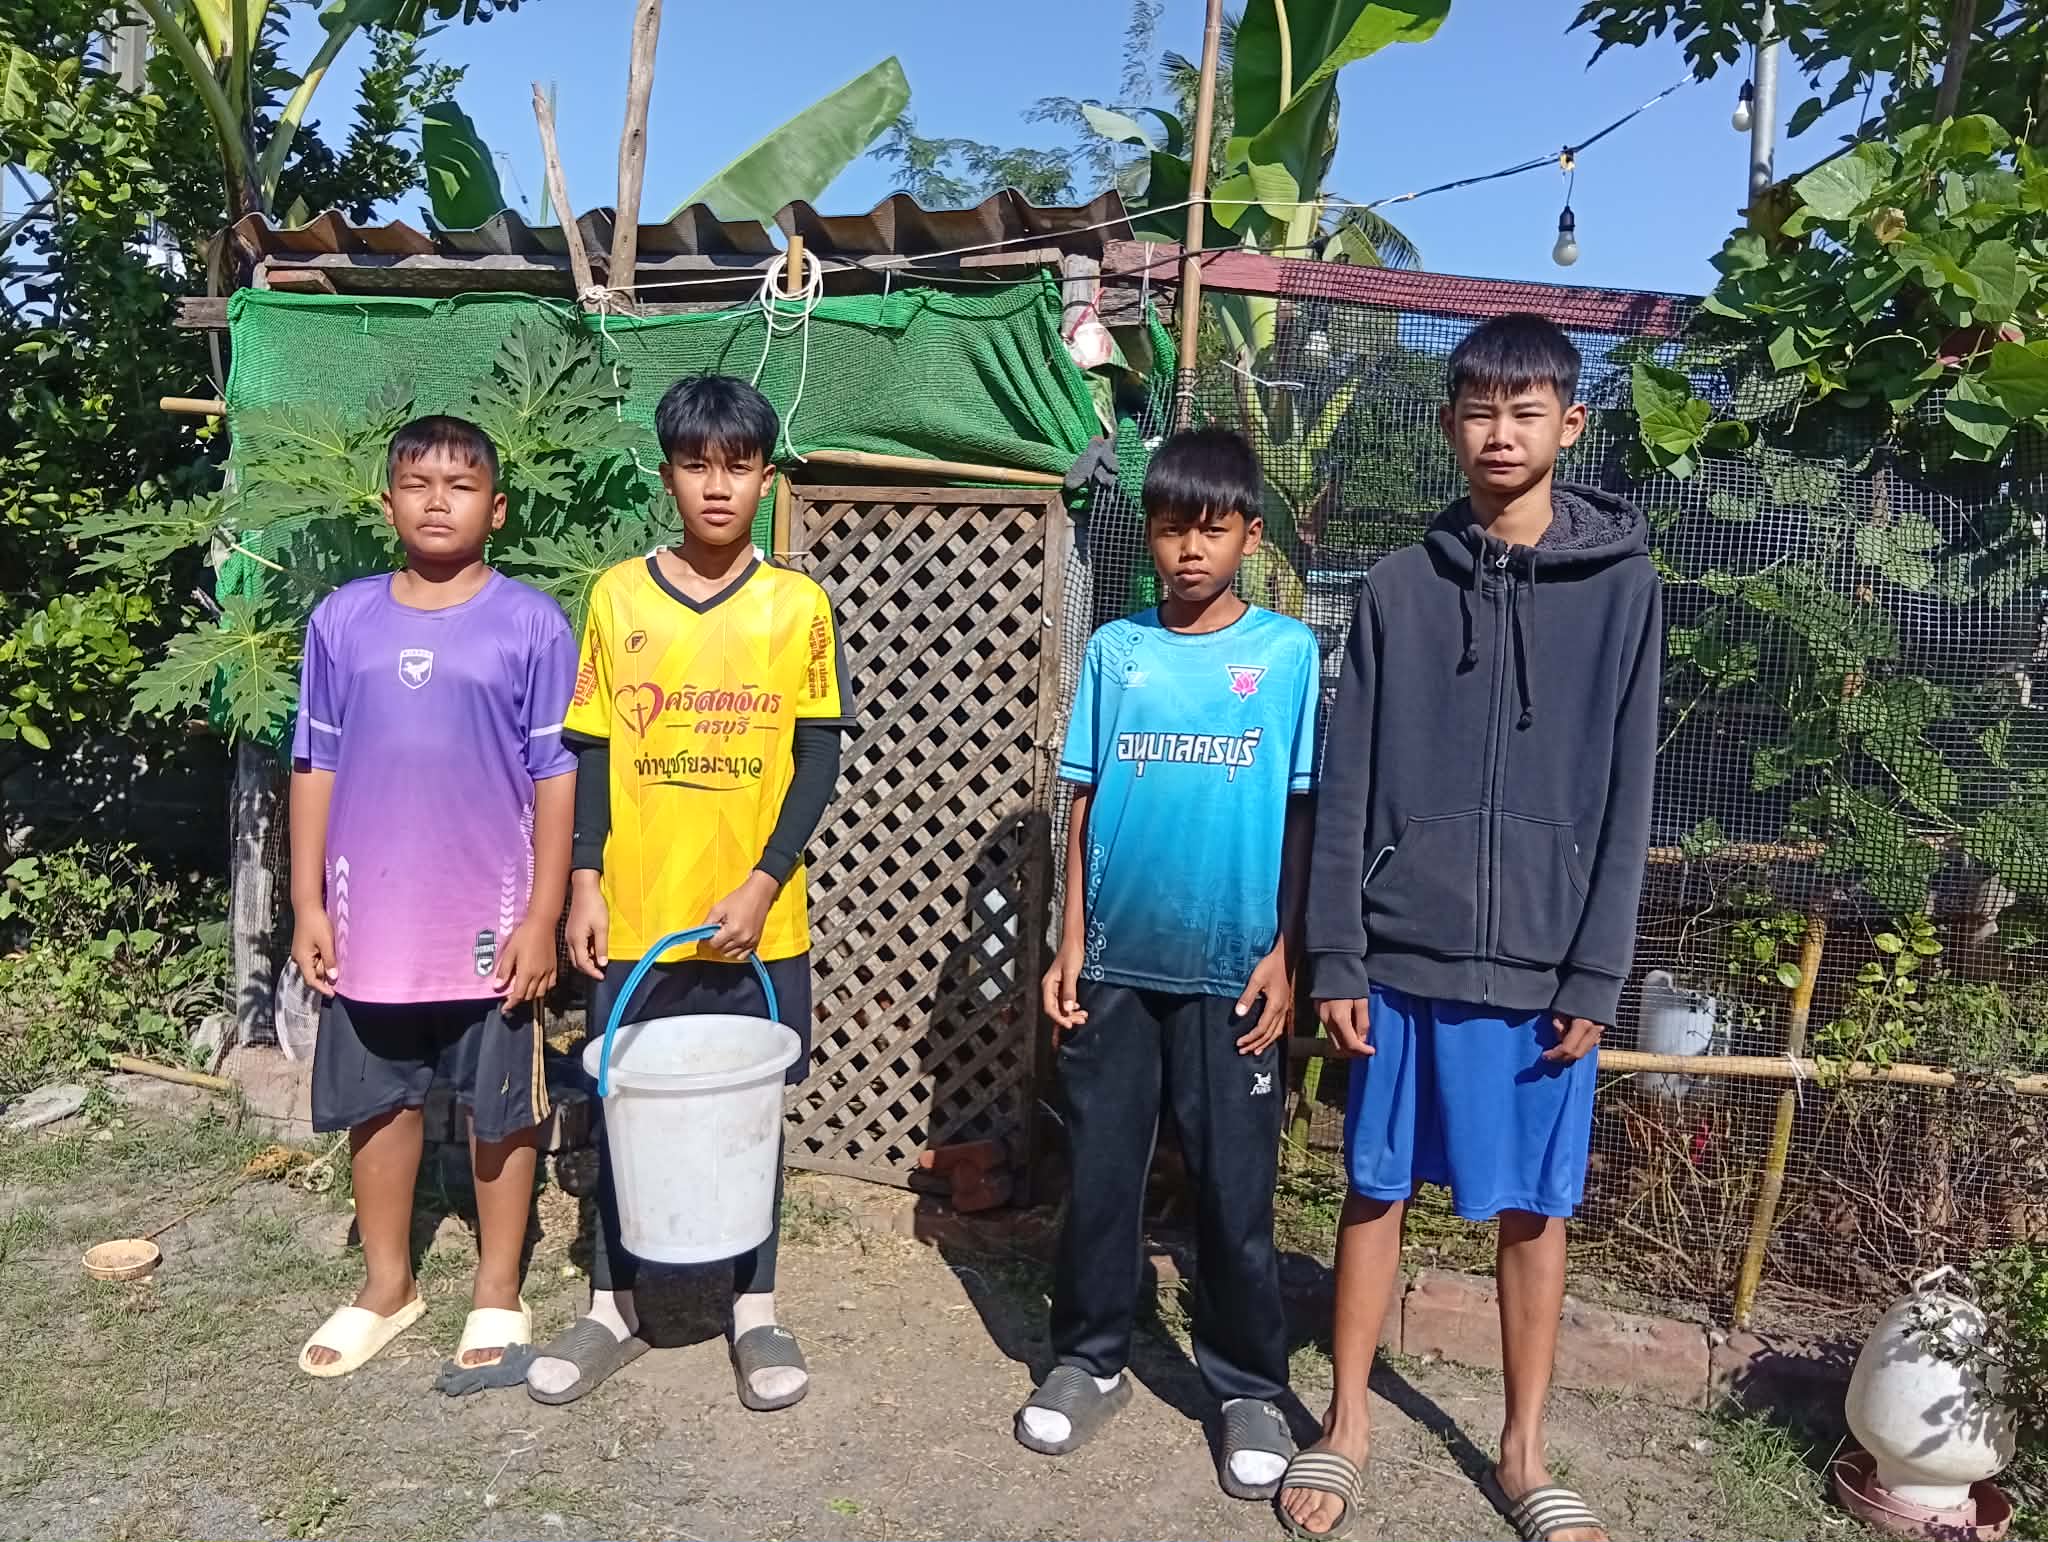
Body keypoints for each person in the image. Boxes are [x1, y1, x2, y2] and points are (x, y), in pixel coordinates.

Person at [1276, 313, 1662, 1542]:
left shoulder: (1625, 593)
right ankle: (1344, 1425)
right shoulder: (1395, 588)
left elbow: (1627, 792)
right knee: (1371, 1190)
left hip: (1548, 967)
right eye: (1478, 411)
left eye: (1526, 410)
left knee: (1530, 1213)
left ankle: (1522, 1449)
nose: (1500, 433)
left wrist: (1596, 971)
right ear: (1448, 426)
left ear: (1570, 424)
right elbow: (1346, 786)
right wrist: (1337, 951)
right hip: (1396, 957)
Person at [524, 374, 852, 1411]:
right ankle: (614, 1302)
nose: (717, 487)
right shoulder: (618, 596)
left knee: (751, 1108)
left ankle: (754, 1306)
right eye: (696, 465)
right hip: (637, 910)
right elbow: (589, 749)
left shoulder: (795, 606)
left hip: (760, 919)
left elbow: (816, 762)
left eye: (738, 466)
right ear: (668, 472)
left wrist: (763, 883)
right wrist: (583, 883)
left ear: (766, 476)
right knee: (628, 1101)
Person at [1018, 426, 1319, 1503]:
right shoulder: (1116, 651)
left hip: (1232, 970)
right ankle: (1087, 1356)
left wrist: (1286, 952)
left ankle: (1244, 1385)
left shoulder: (1284, 657)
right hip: (1114, 965)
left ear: (1246, 534)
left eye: (1213, 528)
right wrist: (1065, 941)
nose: (1190, 550)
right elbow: (1083, 798)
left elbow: (1298, 816)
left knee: (1234, 1187)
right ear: (1146, 535)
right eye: (1170, 528)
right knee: (1101, 1172)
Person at [290, 414, 577, 1380]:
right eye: (417, 483)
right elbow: (314, 763)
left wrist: (541, 916)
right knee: (380, 1103)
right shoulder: (343, 621)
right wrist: (308, 901)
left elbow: (555, 775)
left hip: (490, 920)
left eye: (460, 485)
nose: (438, 500)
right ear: (388, 505)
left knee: (501, 1107)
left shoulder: (532, 622)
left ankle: (498, 1289)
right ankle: (387, 1283)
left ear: (496, 509)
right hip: (370, 915)